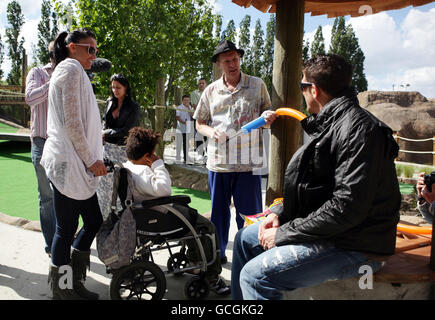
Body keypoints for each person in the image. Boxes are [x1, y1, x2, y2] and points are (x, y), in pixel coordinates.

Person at [231, 54, 402, 300]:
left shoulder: (360, 130)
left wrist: (283, 234)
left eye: (302, 86)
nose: (302, 93)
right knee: (245, 238)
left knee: (255, 277)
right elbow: (317, 189)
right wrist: (278, 214)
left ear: (314, 90)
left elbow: (346, 208)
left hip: (358, 245)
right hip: (336, 232)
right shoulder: (333, 123)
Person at [193, 39, 276, 263]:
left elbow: (267, 114)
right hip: (219, 163)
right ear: (219, 64)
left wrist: (268, 117)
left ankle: (249, 257)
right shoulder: (210, 91)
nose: (233, 64)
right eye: (227, 60)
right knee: (218, 216)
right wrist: (212, 133)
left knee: (250, 217)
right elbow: (199, 123)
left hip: (249, 162)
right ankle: (216, 257)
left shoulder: (257, 85)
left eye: (236, 59)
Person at [123, 126, 231, 295]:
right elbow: (165, 190)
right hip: (160, 217)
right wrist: (158, 164)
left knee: (189, 218)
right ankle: (211, 275)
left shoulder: (126, 167)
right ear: (147, 156)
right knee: (207, 228)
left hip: (144, 215)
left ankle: (192, 258)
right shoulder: (143, 172)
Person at [40, 28, 107, 300]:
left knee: (92, 221)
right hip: (70, 163)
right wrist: (91, 159)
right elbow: (72, 122)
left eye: (96, 50)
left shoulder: (75, 71)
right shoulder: (69, 71)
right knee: (66, 230)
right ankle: (64, 290)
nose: (94, 55)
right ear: (72, 47)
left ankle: (74, 280)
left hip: (77, 162)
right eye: (89, 49)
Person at [25, 41, 57, 256]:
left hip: (63, 144)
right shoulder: (38, 72)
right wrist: (52, 83)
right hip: (41, 142)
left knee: (66, 195)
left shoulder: (73, 73)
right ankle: (52, 246)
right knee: (47, 198)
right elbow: (30, 98)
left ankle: (63, 239)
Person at [97, 73, 140, 219]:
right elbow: (105, 121)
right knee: (104, 184)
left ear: (126, 88)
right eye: (113, 87)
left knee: (122, 184)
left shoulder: (134, 106)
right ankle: (103, 219)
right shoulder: (110, 102)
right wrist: (103, 133)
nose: (115, 90)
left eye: (118, 87)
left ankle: (123, 218)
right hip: (107, 149)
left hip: (123, 151)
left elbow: (128, 130)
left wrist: (105, 133)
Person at [191, 78, 207, 163]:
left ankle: (209, 155)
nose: (201, 85)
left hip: (209, 118)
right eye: (200, 83)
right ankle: (200, 154)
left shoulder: (210, 92)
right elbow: (195, 106)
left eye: (203, 83)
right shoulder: (194, 93)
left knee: (208, 136)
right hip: (199, 118)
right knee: (199, 136)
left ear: (205, 84)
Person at [175, 94, 194, 164]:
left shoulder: (190, 107)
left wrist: (189, 108)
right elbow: (177, 117)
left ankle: (186, 159)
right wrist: (183, 122)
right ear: (182, 100)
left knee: (186, 144)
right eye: (185, 100)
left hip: (188, 128)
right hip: (180, 128)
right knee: (179, 143)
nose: (186, 101)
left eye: (188, 100)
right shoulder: (179, 107)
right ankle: (178, 158)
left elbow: (193, 115)